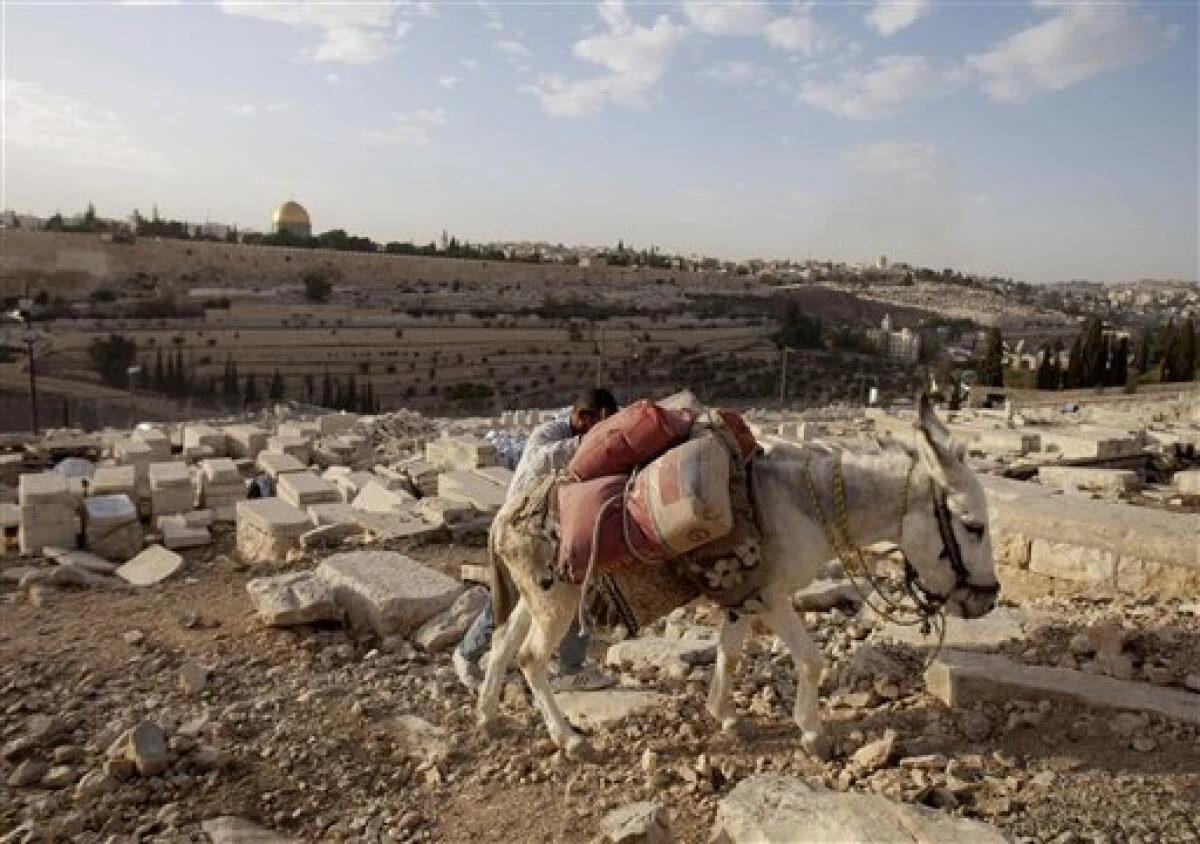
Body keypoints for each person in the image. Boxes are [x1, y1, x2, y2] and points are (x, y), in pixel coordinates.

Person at [454, 388, 620, 693]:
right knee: (512, 598)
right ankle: (466, 654)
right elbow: (543, 460)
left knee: (573, 588)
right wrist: (594, 442)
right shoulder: (549, 434)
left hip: (556, 527)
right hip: (521, 529)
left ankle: (571, 667)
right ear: (583, 418)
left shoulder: (579, 435)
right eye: (599, 425)